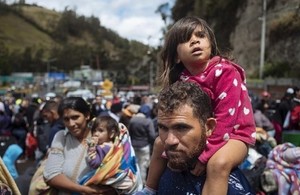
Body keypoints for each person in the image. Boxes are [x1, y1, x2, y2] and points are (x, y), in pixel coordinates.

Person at [143, 16, 256, 195]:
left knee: (218, 164)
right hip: (204, 135)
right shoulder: (182, 79)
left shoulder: (226, 72)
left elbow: (226, 118)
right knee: (158, 143)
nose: (195, 40)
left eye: (200, 36)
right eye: (185, 39)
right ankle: (148, 189)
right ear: (176, 57)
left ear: (210, 43)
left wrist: (205, 156)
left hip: (235, 134)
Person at [151, 81, 254, 194]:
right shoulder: (163, 169)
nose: (169, 141)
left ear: (209, 127)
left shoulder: (228, 187)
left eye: (181, 128)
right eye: (163, 128)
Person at [43, 97, 117, 194]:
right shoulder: (61, 137)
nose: (71, 124)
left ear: (87, 115)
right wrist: (83, 190)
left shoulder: (102, 137)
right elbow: (51, 174)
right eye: (66, 119)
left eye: (75, 117)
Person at [79, 115, 138, 194]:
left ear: (112, 134)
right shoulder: (118, 146)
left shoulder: (102, 147)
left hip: (108, 181)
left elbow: (94, 164)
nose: (96, 134)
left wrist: (91, 147)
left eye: (100, 130)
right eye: (94, 131)